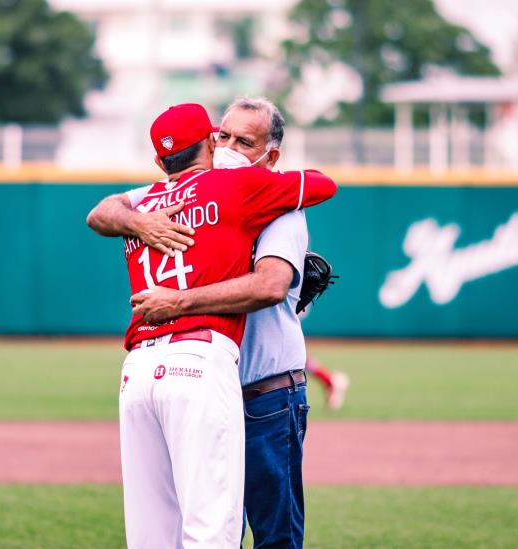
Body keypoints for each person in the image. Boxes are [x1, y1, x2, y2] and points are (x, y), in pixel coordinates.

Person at [86, 102, 337, 548]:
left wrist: (177, 300)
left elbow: (271, 285)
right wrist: (137, 221)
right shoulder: (193, 192)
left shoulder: (273, 204)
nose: (230, 147)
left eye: (245, 141)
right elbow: (104, 211)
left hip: (265, 392)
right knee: (207, 531)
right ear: (208, 140)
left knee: (260, 535)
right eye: (224, 136)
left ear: (271, 157)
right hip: (204, 377)